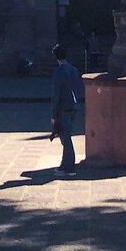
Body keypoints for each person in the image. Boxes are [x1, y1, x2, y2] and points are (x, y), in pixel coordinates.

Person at [51, 43, 85, 176]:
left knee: (65, 138)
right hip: (74, 105)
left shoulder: (58, 72)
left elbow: (56, 94)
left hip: (63, 107)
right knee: (66, 136)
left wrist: (54, 114)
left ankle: (68, 167)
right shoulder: (73, 69)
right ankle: (65, 164)